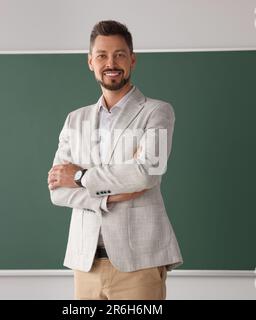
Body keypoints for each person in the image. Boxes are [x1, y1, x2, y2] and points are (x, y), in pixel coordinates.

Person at [48, 20, 182, 300]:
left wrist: (80, 178)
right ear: (90, 62)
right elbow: (58, 191)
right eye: (102, 55)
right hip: (86, 264)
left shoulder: (156, 112)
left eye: (119, 54)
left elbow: (146, 173)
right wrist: (110, 196)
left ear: (132, 60)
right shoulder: (75, 119)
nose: (111, 62)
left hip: (139, 263)